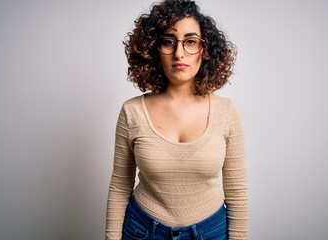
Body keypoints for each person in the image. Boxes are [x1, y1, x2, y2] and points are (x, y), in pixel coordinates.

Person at [106, 0, 248, 239]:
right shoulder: (132, 112)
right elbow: (120, 186)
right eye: (168, 42)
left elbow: (236, 193)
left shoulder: (227, 112)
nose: (179, 53)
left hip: (210, 232)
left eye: (191, 41)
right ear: (153, 49)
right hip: (142, 231)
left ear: (205, 50)